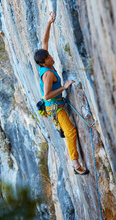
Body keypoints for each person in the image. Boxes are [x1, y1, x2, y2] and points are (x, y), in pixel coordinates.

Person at [34, 12, 89, 175]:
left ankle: (60, 129)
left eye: (49, 55)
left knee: (66, 130)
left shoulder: (43, 62)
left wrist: (49, 22)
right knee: (71, 131)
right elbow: (47, 95)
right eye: (49, 57)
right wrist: (64, 87)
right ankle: (76, 165)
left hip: (55, 106)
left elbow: (44, 41)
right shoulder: (48, 74)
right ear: (44, 63)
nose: (51, 57)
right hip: (54, 108)